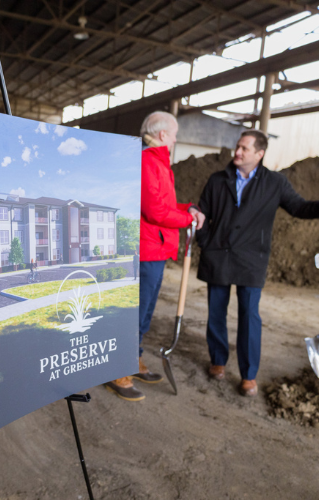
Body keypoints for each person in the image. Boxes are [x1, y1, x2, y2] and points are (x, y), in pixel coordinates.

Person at [196, 129, 319, 397]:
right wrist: (206, 241)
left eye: (244, 148)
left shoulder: (274, 182)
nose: (238, 152)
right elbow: (202, 212)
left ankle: (248, 374)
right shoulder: (217, 180)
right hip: (218, 254)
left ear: (260, 153)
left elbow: (299, 207)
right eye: (238, 147)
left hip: (251, 258)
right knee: (216, 312)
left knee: (249, 316)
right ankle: (218, 360)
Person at [105, 111, 205, 402]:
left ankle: (132, 359)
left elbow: (167, 204)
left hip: (157, 248)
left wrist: (188, 209)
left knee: (145, 312)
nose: (175, 140)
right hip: (147, 248)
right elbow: (155, 211)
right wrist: (185, 220)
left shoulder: (160, 164)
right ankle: (116, 370)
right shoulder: (149, 161)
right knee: (136, 311)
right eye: (174, 135)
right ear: (163, 135)